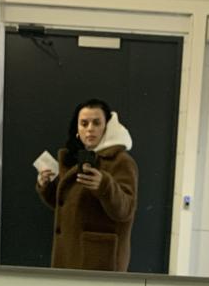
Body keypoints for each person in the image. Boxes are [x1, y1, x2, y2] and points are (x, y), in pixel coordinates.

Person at [36, 98, 138, 271]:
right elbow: (65, 206)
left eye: (96, 123)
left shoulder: (121, 161)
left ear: (107, 126)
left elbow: (126, 210)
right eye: (84, 123)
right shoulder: (74, 159)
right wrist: (46, 185)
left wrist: (104, 185)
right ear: (77, 128)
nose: (90, 129)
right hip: (70, 253)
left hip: (99, 259)